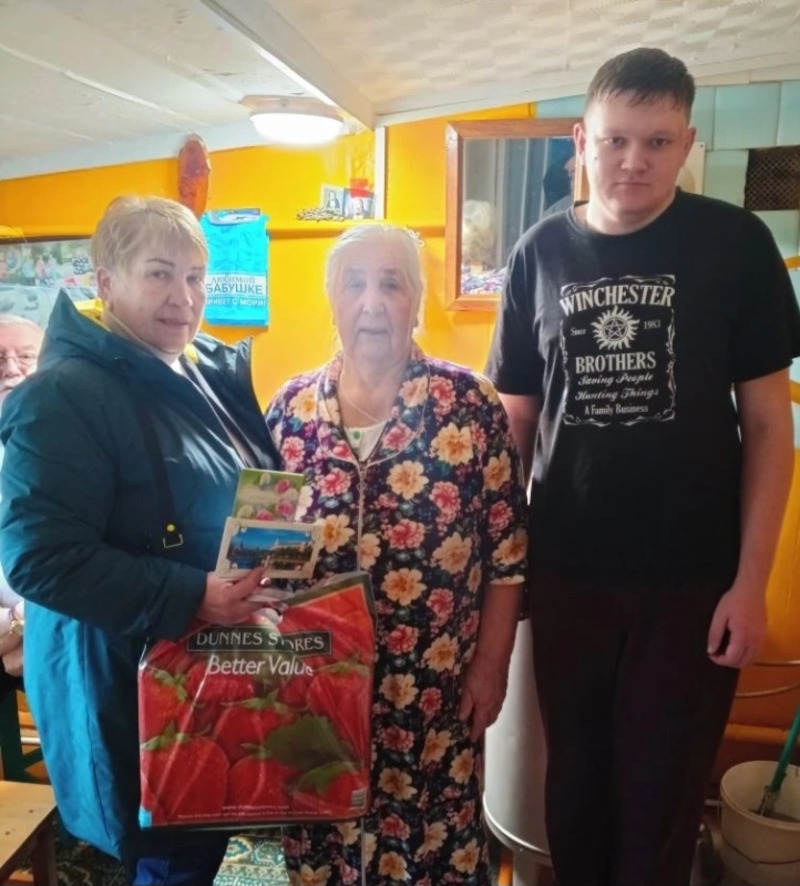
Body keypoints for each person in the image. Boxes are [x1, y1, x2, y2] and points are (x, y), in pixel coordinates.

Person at [485, 47, 800, 886]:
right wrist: (501, 568)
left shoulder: (737, 245)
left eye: (658, 142)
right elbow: (516, 422)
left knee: (660, 805)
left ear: (687, 143)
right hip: (567, 576)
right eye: (615, 139)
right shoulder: (538, 253)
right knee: (574, 795)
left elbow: (769, 425)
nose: (634, 161)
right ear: (580, 142)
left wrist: (751, 582)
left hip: (693, 584)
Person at [0, 196, 281, 885]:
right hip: (133, 688)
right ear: (106, 282)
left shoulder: (200, 367)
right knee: (168, 858)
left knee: (200, 842)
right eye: (159, 274)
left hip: (209, 667)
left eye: (195, 277)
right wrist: (194, 594)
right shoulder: (62, 395)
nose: (183, 297)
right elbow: (40, 559)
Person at [266, 224, 528, 886]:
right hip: (317, 695)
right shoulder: (290, 412)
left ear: (417, 300)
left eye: (391, 284)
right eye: (354, 284)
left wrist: (491, 668)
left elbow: (507, 556)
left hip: (433, 698)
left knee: (432, 853)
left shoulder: (468, 406)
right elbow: (262, 555)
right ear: (331, 299)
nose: (372, 303)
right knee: (324, 855)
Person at [0, 314, 43, 686]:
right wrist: (14, 626)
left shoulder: (78, 445)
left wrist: (30, 625)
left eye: (26, 356)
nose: (12, 369)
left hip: (61, 634)